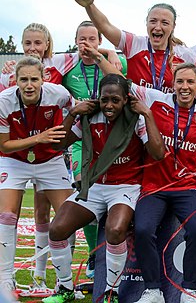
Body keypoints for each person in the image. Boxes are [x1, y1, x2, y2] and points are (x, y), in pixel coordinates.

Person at [43, 74, 165, 303]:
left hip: (126, 187)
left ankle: (112, 291)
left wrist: (147, 113)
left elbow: (158, 154)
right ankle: (66, 289)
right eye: (104, 99)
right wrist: (73, 113)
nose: (109, 105)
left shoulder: (135, 119)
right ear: (98, 98)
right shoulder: (89, 117)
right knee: (57, 228)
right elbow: (58, 145)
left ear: (125, 99)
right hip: (95, 185)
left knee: (115, 229)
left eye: (115, 100)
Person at [129, 63, 196, 303]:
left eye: (190, 82)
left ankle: (189, 291)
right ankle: (153, 291)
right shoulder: (155, 99)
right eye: (180, 82)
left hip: (188, 187)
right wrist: (104, 56)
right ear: (172, 84)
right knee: (142, 230)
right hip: (154, 187)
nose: (185, 87)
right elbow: (123, 84)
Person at [0, 57, 74, 296]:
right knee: (7, 215)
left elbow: (75, 110)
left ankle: (63, 283)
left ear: (44, 79)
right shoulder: (4, 101)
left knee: (67, 217)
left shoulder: (59, 94)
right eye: (24, 79)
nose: (29, 84)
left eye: (34, 79)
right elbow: (5, 145)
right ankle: (5, 280)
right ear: (15, 81)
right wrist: (38, 138)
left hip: (50, 160)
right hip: (14, 160)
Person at [61, 20, 128, 280]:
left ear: (99, 41)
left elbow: (121, 80)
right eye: (81, 38)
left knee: (111, 193)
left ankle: (110, 252)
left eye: (91, 38)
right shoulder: (67, 68)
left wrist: (103, 57)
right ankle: (93, 252)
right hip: (80, 140)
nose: (86, 43)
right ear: (75, 40)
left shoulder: (108, 64)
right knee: (83, 190)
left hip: (106, 137)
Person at [69, 0, 196, 93]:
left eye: (164, 23)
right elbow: (105, 26)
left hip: (167, 118)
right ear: (146, 23)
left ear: (173, 26)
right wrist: (89, 6)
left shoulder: (185, 54)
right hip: (137, 118)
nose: (157, 27)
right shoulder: (134, 43)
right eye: (153, 21)